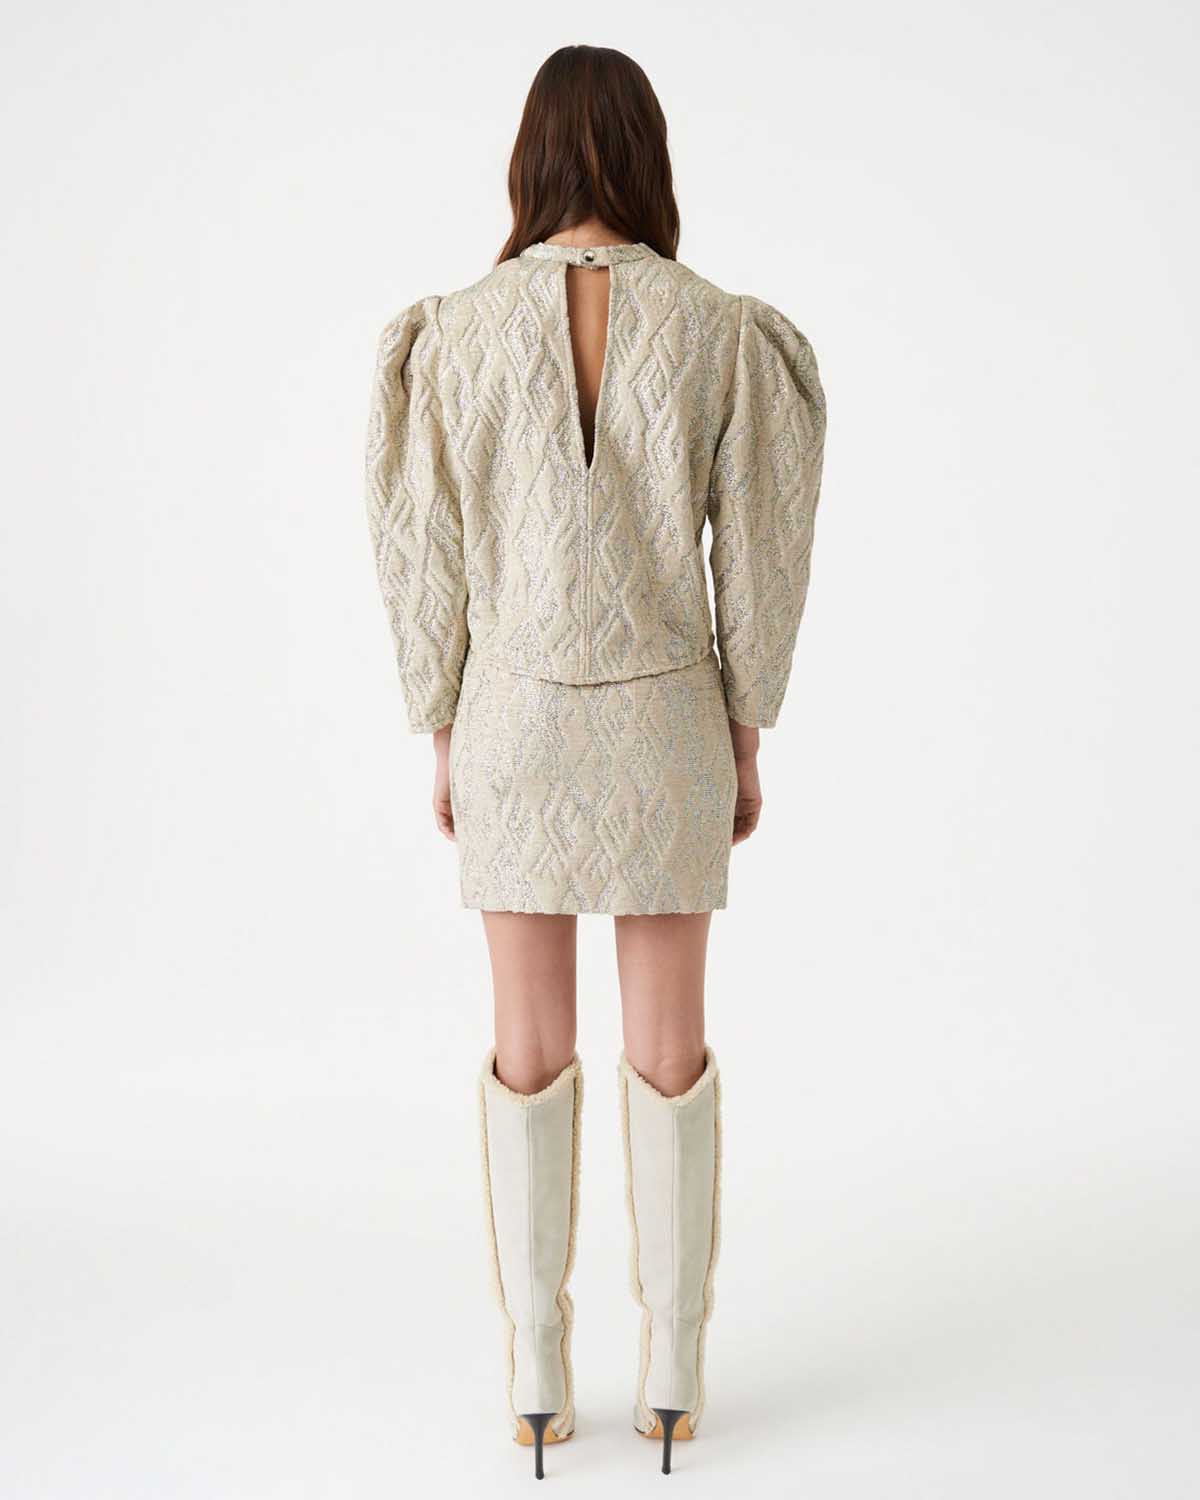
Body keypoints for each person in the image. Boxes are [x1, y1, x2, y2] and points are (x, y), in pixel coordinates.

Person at [364, 43, 826, 1479]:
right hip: (667, 719)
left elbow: (425, 558)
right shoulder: (722, 330)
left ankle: (536, 1376)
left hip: (513, 719)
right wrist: (745, 726)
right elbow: (759, 552)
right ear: (644, 153)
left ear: (533, 156)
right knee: (669, 1050)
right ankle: (674, 1370)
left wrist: (445, 728)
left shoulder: (450, 335)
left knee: (529, 1049)